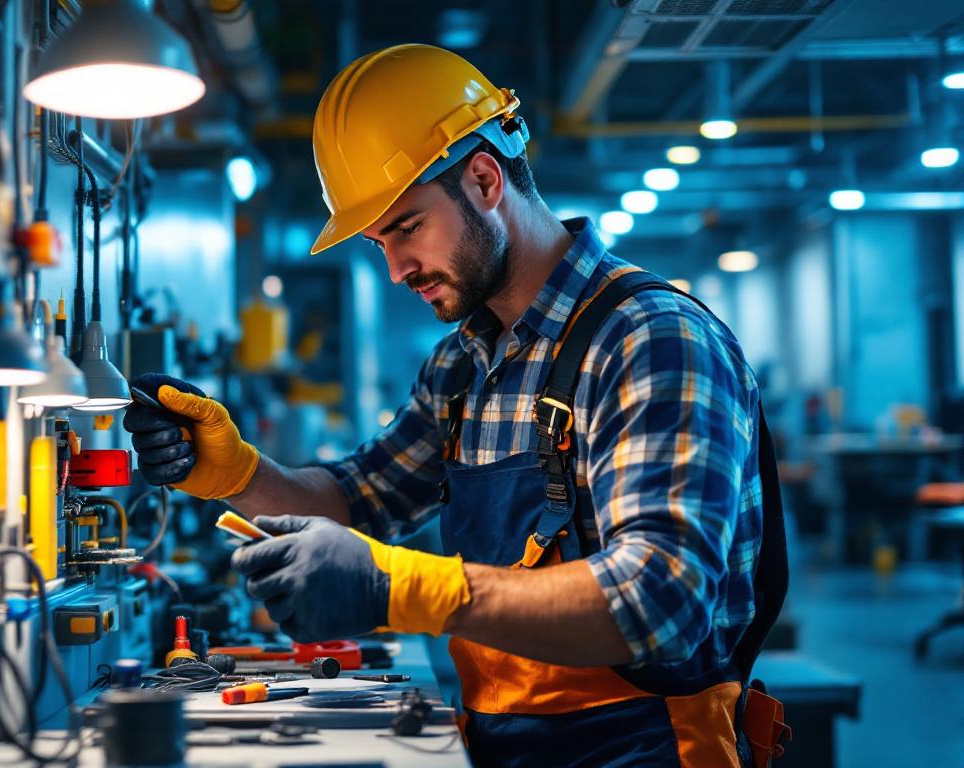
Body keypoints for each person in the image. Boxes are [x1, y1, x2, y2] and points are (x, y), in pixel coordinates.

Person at [123, 44, 786, 768]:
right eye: (379, 241)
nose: (395, 269)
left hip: (650, 749)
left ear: (483, 178)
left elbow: (662, 603)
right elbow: (358, 500)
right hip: (505, 749)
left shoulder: (651, 339)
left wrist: (400, 586)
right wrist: (235, 473)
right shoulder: (463, 365)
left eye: (406, 227)